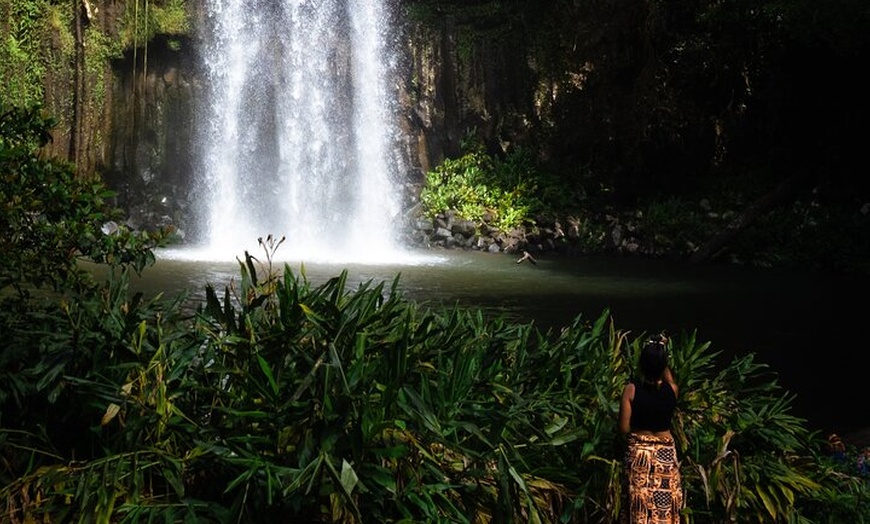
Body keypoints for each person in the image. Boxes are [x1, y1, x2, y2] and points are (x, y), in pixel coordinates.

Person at [618, 334, 683, 524]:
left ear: (641, 364)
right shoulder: (672, 390)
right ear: (664, 366)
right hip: (665, 455)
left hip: (640, 455)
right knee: (665, 507)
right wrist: (661, 351)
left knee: (639, 506)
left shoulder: (631, 390)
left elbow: (623, 428)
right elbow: (667, 377)